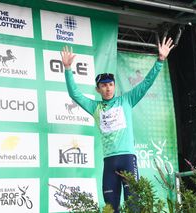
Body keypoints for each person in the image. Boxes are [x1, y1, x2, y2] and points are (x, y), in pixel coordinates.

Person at [61, 37, 174, 212]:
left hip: (127, 159)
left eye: (111, 85)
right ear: (98, 89)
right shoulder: (95, 107)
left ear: (114, 86)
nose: (108, 88)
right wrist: (68, 69)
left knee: (134, 205)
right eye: (104, 85)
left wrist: (160, 60)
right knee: (110, 208)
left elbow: (146, 84)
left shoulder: (126, 100)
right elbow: (75, 94)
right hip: (109, 162)